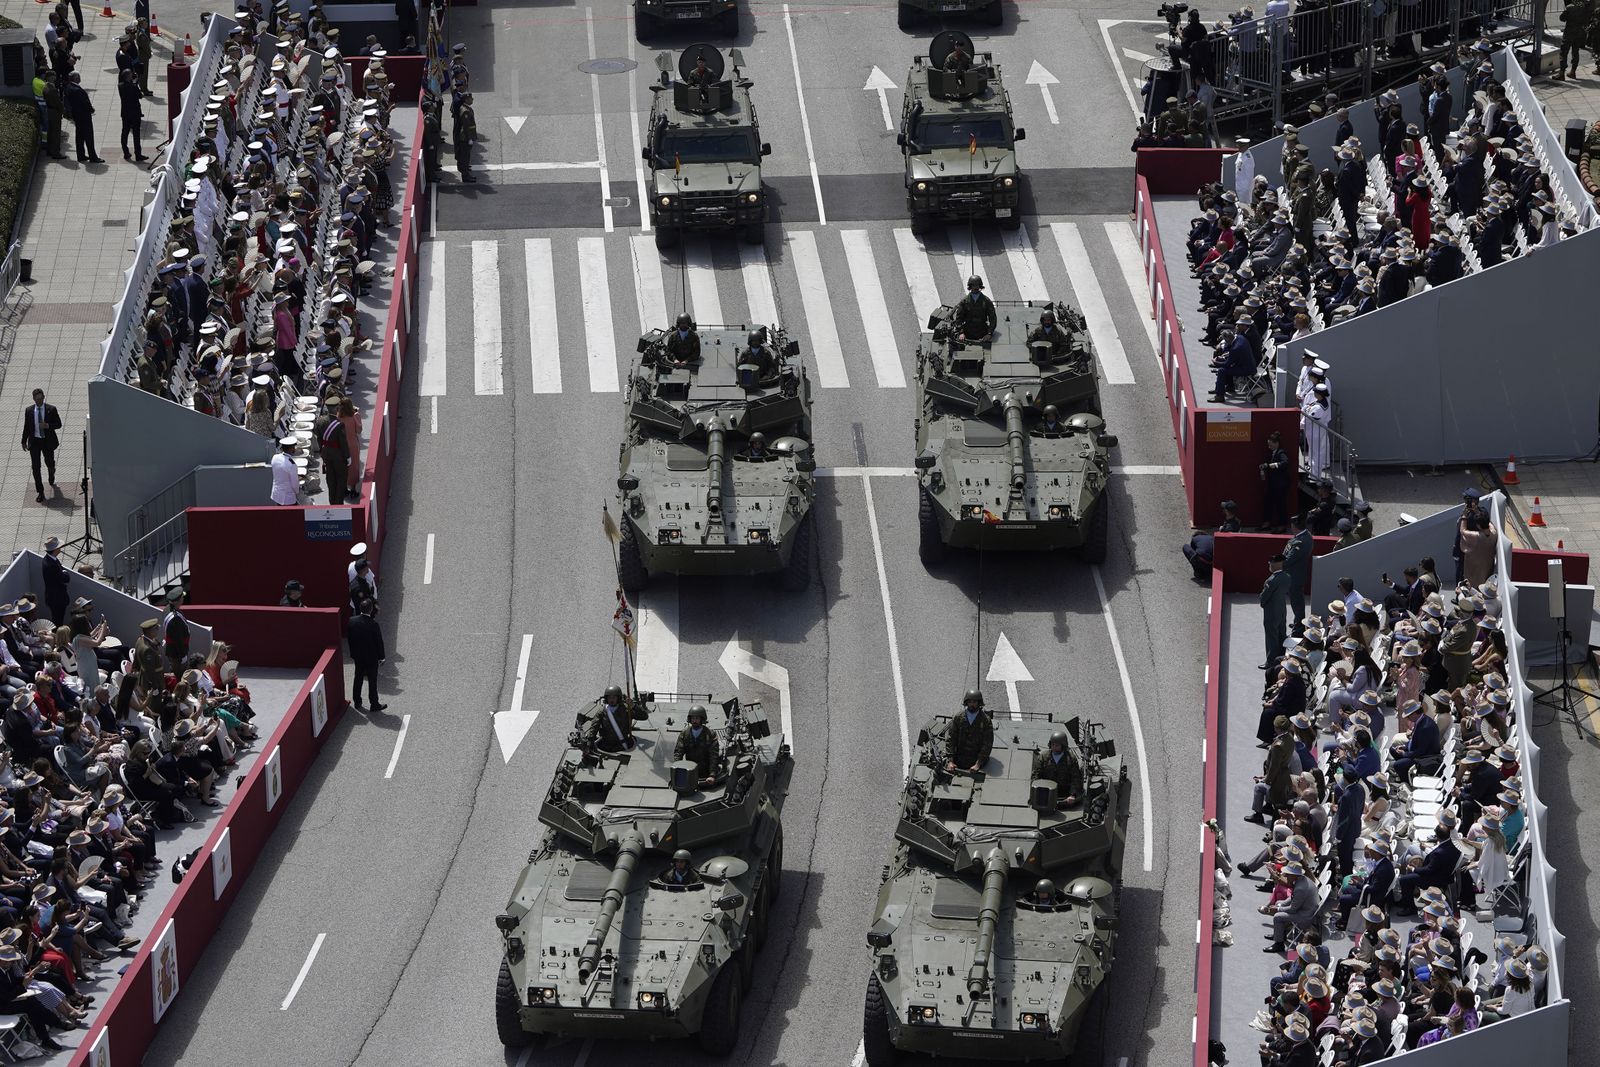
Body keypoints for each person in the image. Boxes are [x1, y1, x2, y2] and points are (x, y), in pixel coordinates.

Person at [21, 388, 63, 503]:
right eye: (36, 399)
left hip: (47, 441)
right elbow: (26, 427)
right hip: (35, 442)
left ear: (43, 397)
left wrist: (48, 425)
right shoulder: (29, 410)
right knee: (36, 467)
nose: (39, 401)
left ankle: (51, 471)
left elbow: (59, 424)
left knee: (49, 462)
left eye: (40, 399)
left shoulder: (51, 409)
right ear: (33, 399)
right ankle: (40, 492)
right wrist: (23, 441)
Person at [346, 598, 387, 713]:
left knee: (358, 677)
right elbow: (379, 642)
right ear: (371, 610)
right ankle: (374, 704)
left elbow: (350, 639)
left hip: (358, 656)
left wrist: (353, 653)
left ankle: (357, 701)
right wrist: (381, 657)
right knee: (372, 681)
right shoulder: (373, 624)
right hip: (371, 658)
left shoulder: (352, 621)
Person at [945, 690, 994, 772]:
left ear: (979, 703)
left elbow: (987, 743)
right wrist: (950, 761)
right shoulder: (958, 717)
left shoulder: (985, 720)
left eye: (974, 702)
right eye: (970, 702)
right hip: (959, 757)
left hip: (977, 759)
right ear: (966, 702)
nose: (972, 704)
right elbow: (951, 739)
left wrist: (978, 764)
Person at [1031, 730, 1082, 806]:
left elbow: (1075, 778)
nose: (1054, 747)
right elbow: (1036, 775)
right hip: (1045, 794)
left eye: (1057, 745)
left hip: (1065, 796)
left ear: (1063, 746)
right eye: (1053, 745)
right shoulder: (1043, 757)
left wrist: (1072, 794)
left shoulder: (1070, 759)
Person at [63, 71, 102, 164]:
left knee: (79, 136)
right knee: (89, 136)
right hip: (84, 115)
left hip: (76, 115)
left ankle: (81, 155)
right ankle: (93, 157)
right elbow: (85, 102)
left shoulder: (68, 87)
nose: (80, 78)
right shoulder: (78, 90)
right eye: (78, 77)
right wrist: (91, 109)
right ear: (76, 78)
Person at [674, 705, 718, 785]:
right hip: (689, 770)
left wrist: (712, 775)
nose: (694, 721)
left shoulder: (710, 734)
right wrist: (678, 771)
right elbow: (678, 753)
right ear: (690, 719)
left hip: (705, 772)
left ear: (702, 719)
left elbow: (713, 755)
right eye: (693, 718)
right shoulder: (685, 733)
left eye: (697, 718)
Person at [1260, 554, 1290, 670]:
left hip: (1271, 611)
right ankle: (1281, 658)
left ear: (1274, 564)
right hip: (1282, 609)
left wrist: (1262, 602)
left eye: (1270, 564)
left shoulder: (1272, 580)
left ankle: (1271, 662)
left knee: (1271, 637)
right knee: (1281, 634)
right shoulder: (1287, 576)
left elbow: (1264, 596)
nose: (1269, 565)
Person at [1260, 430, 1292, 532]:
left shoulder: (1281, 452)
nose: (1269, 447)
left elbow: (1285, 463)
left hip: (1280, 485)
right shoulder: (1273, 453)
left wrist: (1273, 465)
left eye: (1270, 445)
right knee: (1268, 502)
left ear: (1276, 443)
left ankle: (1282, 525)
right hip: (1273, 484)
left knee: (1280, 504)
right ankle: (1267, 523)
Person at [952, 276, 996, 343]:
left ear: (980, 286)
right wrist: (961, 333)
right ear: (970, 286)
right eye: (973, 285)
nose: (975, 287)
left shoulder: (986, 301)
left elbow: (993, 318)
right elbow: (959, 318)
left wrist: (989, 334)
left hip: (982, 332)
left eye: (977, 285)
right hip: (967, 333)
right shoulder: (964, 301)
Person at [595, 685, 635, 751]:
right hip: (606, 746)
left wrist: (633, 705)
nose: (611, 700)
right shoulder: (602, 711)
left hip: (622, 745)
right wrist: (589, 740)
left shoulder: (626, 709)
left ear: (618, 698)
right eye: (609, 697)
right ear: (606, 698)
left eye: (614, 697)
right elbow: (594, 726)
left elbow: (643, 716)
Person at [42, 536, 70, 625]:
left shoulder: (48, 559)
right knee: (58, 620)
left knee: (57, 619)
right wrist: (65, 572)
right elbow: (65, 578)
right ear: (56, 549)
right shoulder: (51, 565)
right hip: (57, 600)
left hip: (53, 598)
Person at [117, 68, 144, 162]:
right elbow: (140, 95)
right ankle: (138, 154)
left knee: (125, 133)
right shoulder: (133, 86)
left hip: (125, 113)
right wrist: (135, 83)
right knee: (136, 134)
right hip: (135, 113)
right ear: (128, 76)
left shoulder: (120, 86)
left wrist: (133, 83)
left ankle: (126, 152)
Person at [270, 436, 302, 505]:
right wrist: (297, 492)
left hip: (276, 495)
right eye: (293, 447)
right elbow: (295, 485)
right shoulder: (291, 464)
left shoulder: (275, 457)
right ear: (291, 449)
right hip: (288, 498)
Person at [453, 90, 477, 182]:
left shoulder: (465, 108)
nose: (472, 99)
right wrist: (469, 138)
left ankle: (465, 172)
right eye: (471, 98)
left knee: (465, 157)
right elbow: (466, 127)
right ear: (466, 99)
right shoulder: (465, 111)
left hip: (466, 137)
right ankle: (465, 176)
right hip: (465, 138)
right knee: (465, 157)